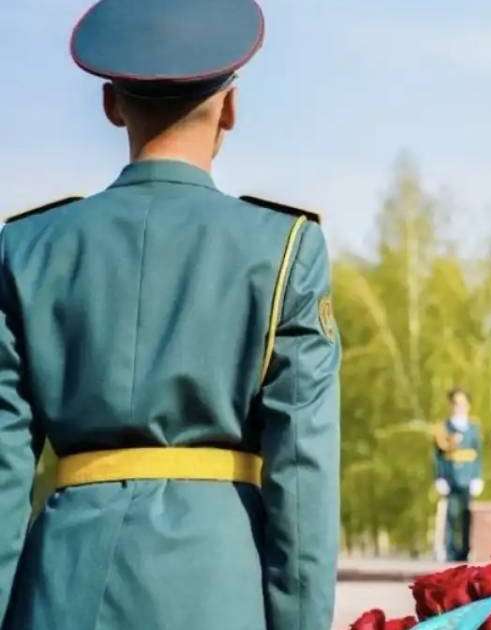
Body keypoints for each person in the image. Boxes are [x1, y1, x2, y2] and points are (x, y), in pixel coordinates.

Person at [0, 1, 341, 628]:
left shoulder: (26, 248)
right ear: (231, 109)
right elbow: (303, 475)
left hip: (60, 589)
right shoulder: (284, 248)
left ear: (110, 104)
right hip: (217, 589)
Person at [433, 388, 485, 562]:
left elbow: (478, 454)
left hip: (468, 478)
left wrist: (478, 477)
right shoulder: (444, 428)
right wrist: (439, 477)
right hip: (451, 477)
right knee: (452, 515)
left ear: (468, 406)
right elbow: (438, 456)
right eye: (456, 403)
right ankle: (451, 551)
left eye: (462, 403)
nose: (459, 407)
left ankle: (465, 550)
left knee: (467, 516)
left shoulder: (473, 428)